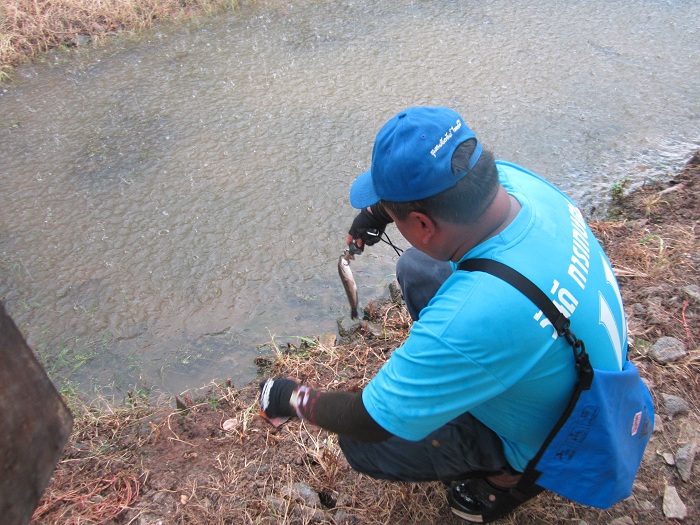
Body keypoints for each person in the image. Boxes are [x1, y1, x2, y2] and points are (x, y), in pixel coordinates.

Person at [259, 106, 627, 522]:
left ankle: (508, 478)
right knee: (416, 269)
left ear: (422, 223)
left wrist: (291, 397)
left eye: (400, 219)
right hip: (579, 362)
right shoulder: (520, 185)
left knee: (360, 443)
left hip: (561, 433)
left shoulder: (470, 319)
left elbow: (369, 419)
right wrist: (381, 212)